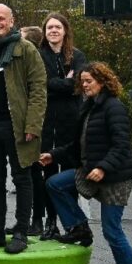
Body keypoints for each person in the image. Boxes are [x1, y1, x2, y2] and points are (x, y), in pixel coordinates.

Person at [42, 62, 132, 264]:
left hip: (115, 177)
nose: (85, 85)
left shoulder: (114, 107)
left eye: (89, 81)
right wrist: (54, 155)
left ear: (103, 81)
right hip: (91, 171)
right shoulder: (89, 107)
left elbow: (122, 146)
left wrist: (103, 167)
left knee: (112, 231)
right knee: (55, 184)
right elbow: (78, 145)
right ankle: (79, 227)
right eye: (82, 81)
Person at [0, 4, 46, 255]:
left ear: (11, 21)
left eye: (0, 19)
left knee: (22, 177)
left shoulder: (25, 49)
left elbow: (39, 88)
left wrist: (33, 125)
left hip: (16, 125)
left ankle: (21, 231)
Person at [34, 12, 87, 240]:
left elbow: (78, 85)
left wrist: (64, 83)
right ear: (45, 33)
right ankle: (50, 221)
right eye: (49, 28)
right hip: (46, 122)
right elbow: (41, 83)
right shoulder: (39, 56)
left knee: (69, 175)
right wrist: (64, 81)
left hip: (70, 123)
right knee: (47, 174)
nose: (53, 31)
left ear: (65, 31)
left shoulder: (76, 56)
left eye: (57, 27)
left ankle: (73, 222)